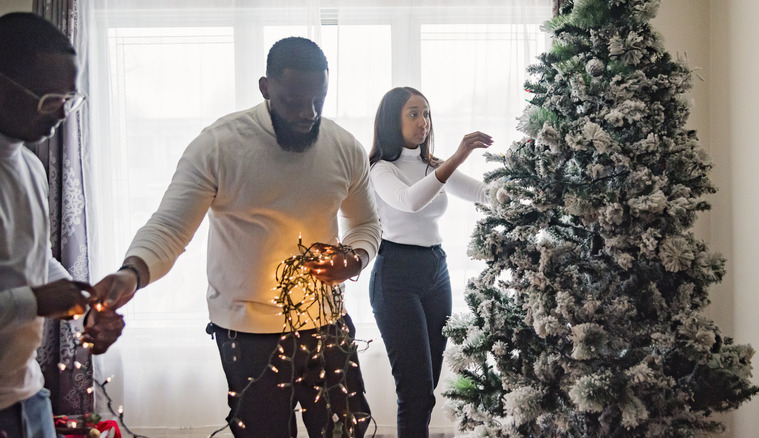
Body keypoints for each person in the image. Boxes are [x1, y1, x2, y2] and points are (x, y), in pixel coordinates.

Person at [92, 36, 381, 437]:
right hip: (248, 337)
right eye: (295, 101)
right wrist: (132, 273)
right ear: (265, 88)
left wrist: (355, 259)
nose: (308, 113)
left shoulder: (343, 147)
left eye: (319, 99)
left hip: (327, 325)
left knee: (345, 429)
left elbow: (367, 224)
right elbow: (170, 226)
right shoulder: (219, 146)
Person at [0, 12, 124, 438]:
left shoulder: (30, 166)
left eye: (69, 100)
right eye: (48, 99)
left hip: (27, 392)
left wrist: (83, 300)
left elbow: (33, 260)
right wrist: (35, 301)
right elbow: (31, 293)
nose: (61, 115)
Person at [368, 87, 493, 437]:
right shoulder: (381, 169)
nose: (423, 122)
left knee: (428, 385)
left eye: (426, 113)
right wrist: (457, 157)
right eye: (413, 113)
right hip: (395, 276)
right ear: (393, 120)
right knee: (415, 391)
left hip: (435, 271)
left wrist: (530, 183)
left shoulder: (432, 166)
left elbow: (484, 194)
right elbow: (409, 202)